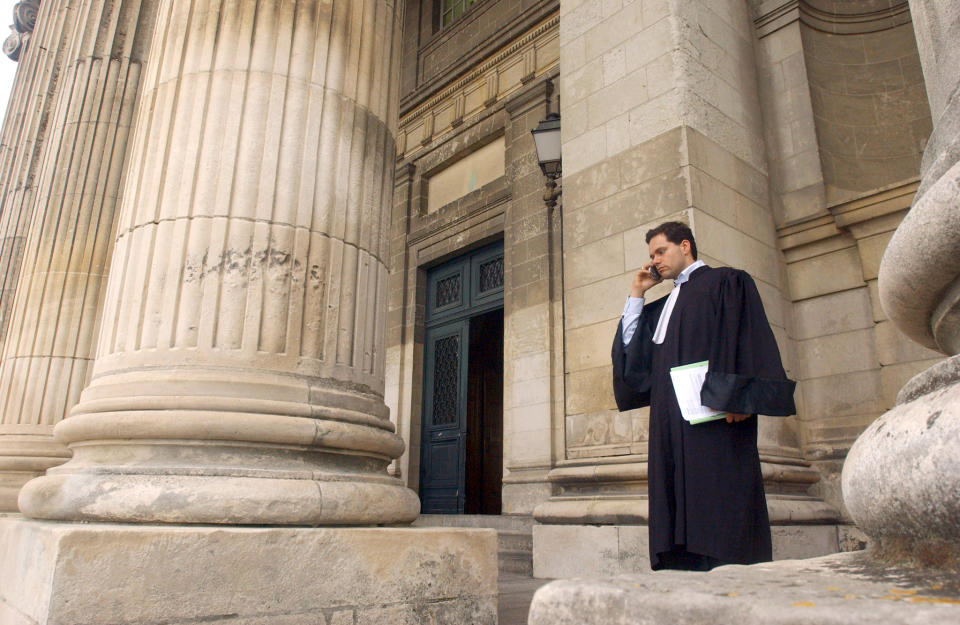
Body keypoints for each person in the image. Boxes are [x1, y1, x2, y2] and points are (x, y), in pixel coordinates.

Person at [611, 221, 796, 571]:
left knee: (719, 495)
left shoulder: (726, 282)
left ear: (685, 246)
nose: (655, 261)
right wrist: (637, 292)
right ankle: (686, 564)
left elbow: (744, 336)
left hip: (717, 415)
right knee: (678, 498)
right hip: (670, 419)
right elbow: (633, 357)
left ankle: (732, 568)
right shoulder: (665, 304)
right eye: (651, 255)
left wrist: (738, 395)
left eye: (660, 251)